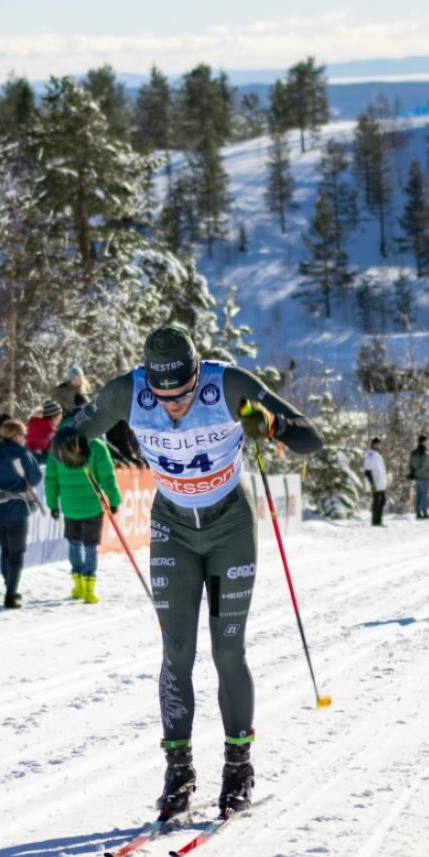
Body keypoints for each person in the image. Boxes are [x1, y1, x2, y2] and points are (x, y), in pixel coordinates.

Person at [54, 323, 322, 818]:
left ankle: (237, 768)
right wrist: (69, 446)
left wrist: (272, 425)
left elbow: (312, 438)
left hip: (229, 532)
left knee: (226, 648)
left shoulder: (229, 385)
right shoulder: (127, 392)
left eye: (183, 393)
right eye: (164, 395)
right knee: (177, 650)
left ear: (197, 374)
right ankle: (178, 772)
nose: (174, 404)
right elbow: (70, 436)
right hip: (173, 532)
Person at [45, 425, 121, 603]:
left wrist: (52, 504)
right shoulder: (96, 445)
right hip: (93, 506)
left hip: (70, 506)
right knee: (90, 547)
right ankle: (89, 588)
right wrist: (114, 499)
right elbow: (107, 477)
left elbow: (51, 478)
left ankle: (78, 584)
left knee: (74, 545)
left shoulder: (58, 445)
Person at [0, 418, 42, 609]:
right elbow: (36, 478)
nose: (25, 439)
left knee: (5, 549)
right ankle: (11, 594)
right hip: (17, 508)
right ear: (16, 436)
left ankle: (9, 587)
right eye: (23, 436)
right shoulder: (22, 454)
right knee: (16, 552)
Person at [25, 399, 62, 466]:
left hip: (29, 460)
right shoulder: (51, 432)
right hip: (41, 464)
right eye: (60, 417)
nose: (60, 419)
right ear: (54, 417)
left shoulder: (34, 425)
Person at [364, 437, 388, 526]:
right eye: (378, 444)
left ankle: (379, 520)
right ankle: (375, 521)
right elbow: (367, 471)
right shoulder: (370, 456)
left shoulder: (378, 455)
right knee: (377, 502)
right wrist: (372, 484)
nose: (379, 446)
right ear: (373, 445)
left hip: (381, 483)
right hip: (375, 483)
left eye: (380, 444)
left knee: (383, 501)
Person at [408, 434, 429, 519]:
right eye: (426, 441)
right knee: (424, 496)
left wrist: (412, 473)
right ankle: (424, 512)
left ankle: (418, 512)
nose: (427, 442)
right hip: (423, 477)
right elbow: (424, 466)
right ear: (423, 442)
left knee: (418, 495)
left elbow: (411, 464)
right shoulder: (424, 453)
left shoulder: (414, 452)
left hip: (417, 477)